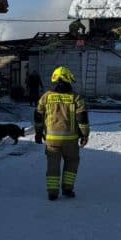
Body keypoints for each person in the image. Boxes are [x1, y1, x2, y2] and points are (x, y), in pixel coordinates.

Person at [34, 66, 90, 201]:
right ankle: (67, 189)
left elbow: (38, 115)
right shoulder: (76, 98)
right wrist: (85, 134)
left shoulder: (46, 97)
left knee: (53, 165)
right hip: (71, 139)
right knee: (72, 162)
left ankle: (52, 193)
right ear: (69, 80)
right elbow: (82, 118)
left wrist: (38, 132)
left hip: (52, 139)